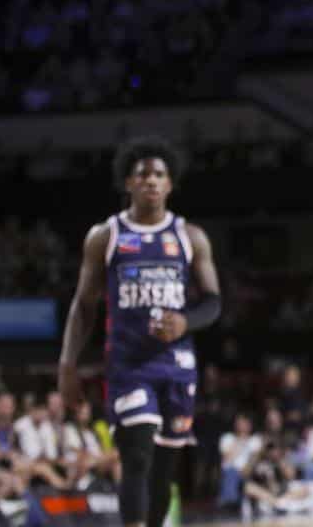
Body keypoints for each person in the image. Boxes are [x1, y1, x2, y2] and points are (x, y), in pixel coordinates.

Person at [58, 136, 223, 527]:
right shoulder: (106, 236)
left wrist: (186, 321)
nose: (151, 180)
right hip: (128, 364)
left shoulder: (190, 237)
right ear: (127, 183)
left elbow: (213, 303)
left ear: (170, 184)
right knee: (135, 456)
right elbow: (84, 304)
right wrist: (68, 365)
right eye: (142, 174)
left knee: (163, 471)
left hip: (176, 364)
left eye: (160, 174)